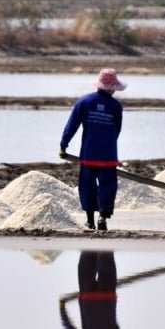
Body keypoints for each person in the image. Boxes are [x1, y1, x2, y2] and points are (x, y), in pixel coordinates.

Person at [59, 68, 126, 231]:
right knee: (107, 186)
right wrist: (108, 145)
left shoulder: (84, 101)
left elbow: (72, 125)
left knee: (87, 186)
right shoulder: (116, 106)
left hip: (89, 154)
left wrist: (63, 144)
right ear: (112, 88)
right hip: (109, 155)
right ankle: (103, 217)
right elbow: (117, 130)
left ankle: (90, 220)